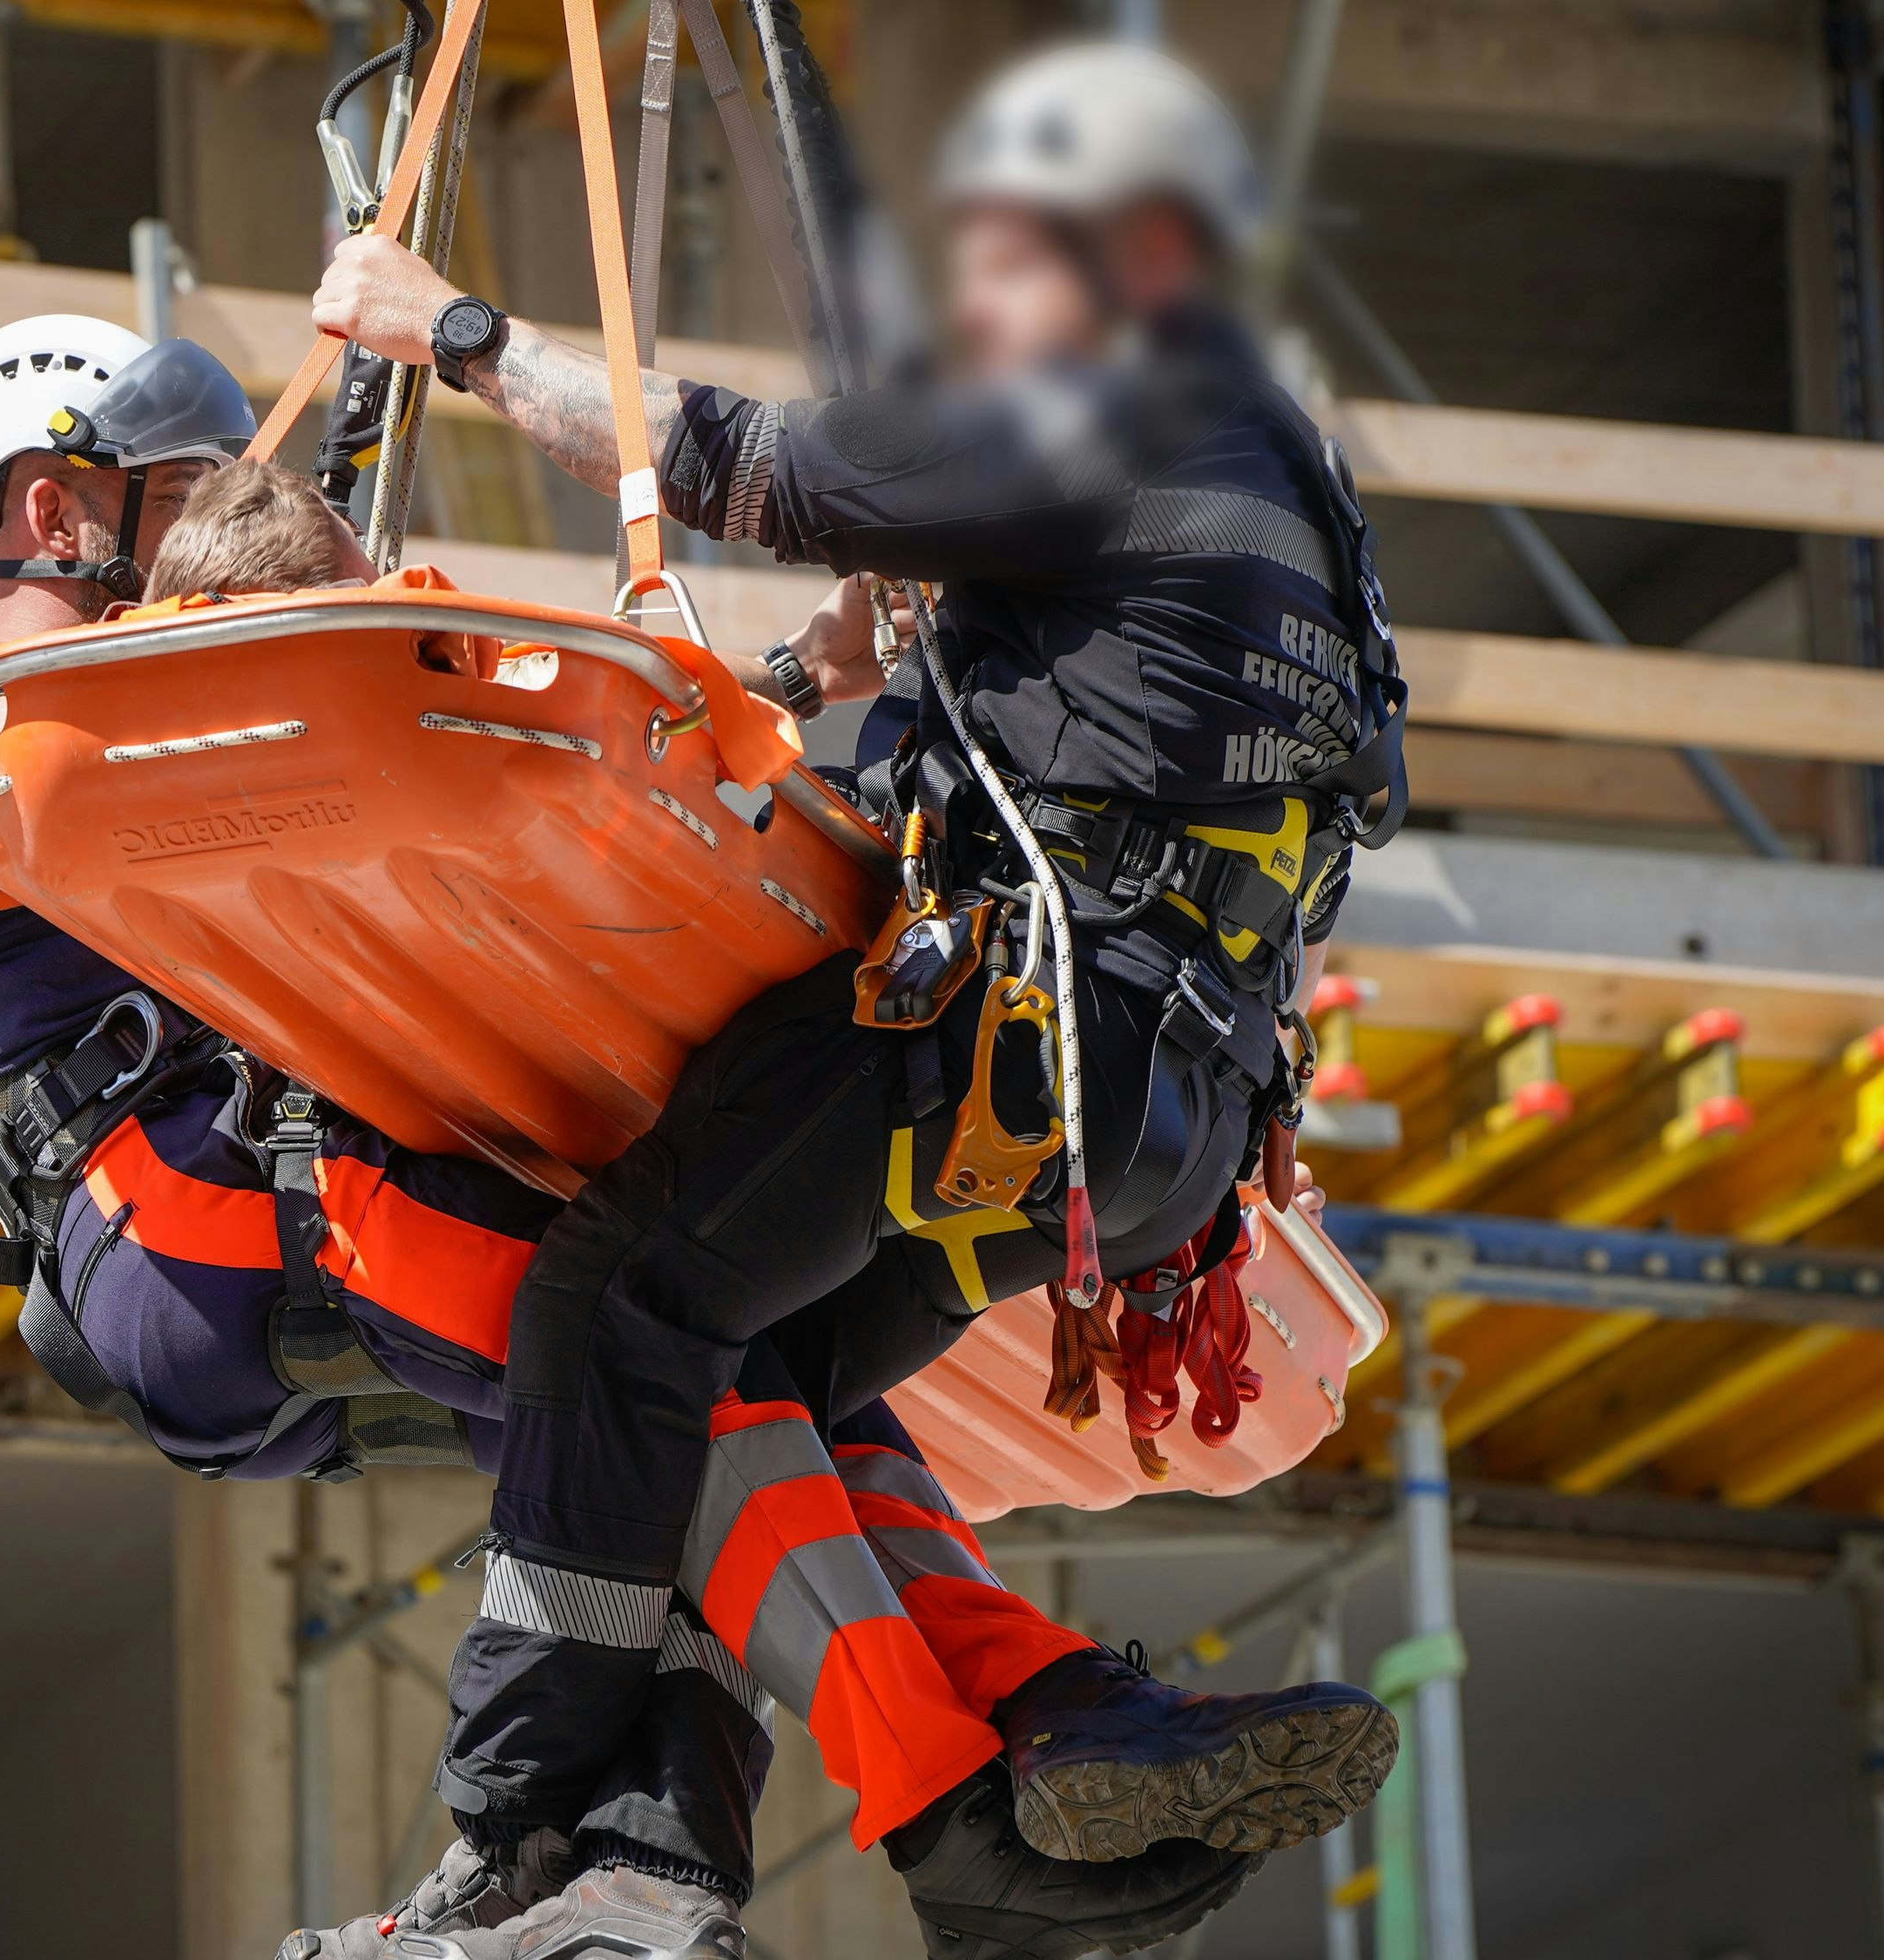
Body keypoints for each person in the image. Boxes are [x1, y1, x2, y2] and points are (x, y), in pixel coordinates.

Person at [0, 373, 1275, 1957]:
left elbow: (505, 776)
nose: (226, 506)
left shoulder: (179, 724)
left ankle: (1016, 1715)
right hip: (189, 1230)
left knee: (745, 1356)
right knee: (656, 1339)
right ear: (57, 509)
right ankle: (941, 1813)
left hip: (286, 1202)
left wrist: (785, 681)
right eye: (198, 485)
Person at [300, 39, 1408, 1959]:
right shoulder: (1285, 473)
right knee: (756, 1390)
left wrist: (454, 332)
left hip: (1010, 1042)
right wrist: (876, 652)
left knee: (617, 1299)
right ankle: (1027, 1772)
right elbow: (1113, 684)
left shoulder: (1106, 403)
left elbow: (759, 467)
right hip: (1165, 1120)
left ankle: (509, 1833)